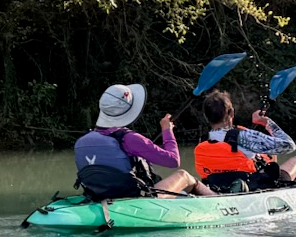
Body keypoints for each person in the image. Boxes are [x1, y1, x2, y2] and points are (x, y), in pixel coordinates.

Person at [74, 83, 213, 199]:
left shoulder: (82, 141)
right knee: (184, 176)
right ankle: (219, 198)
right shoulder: (130, 138)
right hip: (140, 197)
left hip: (99, 195)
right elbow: (173, 160)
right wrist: (167, 130)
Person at [191, 90, 296, 189]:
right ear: (232, 113)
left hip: (219, 187)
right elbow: (289, 145)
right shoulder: (244, 136)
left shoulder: (203, 140)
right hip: (256, 186)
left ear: (206, 117)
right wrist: (266, 122)